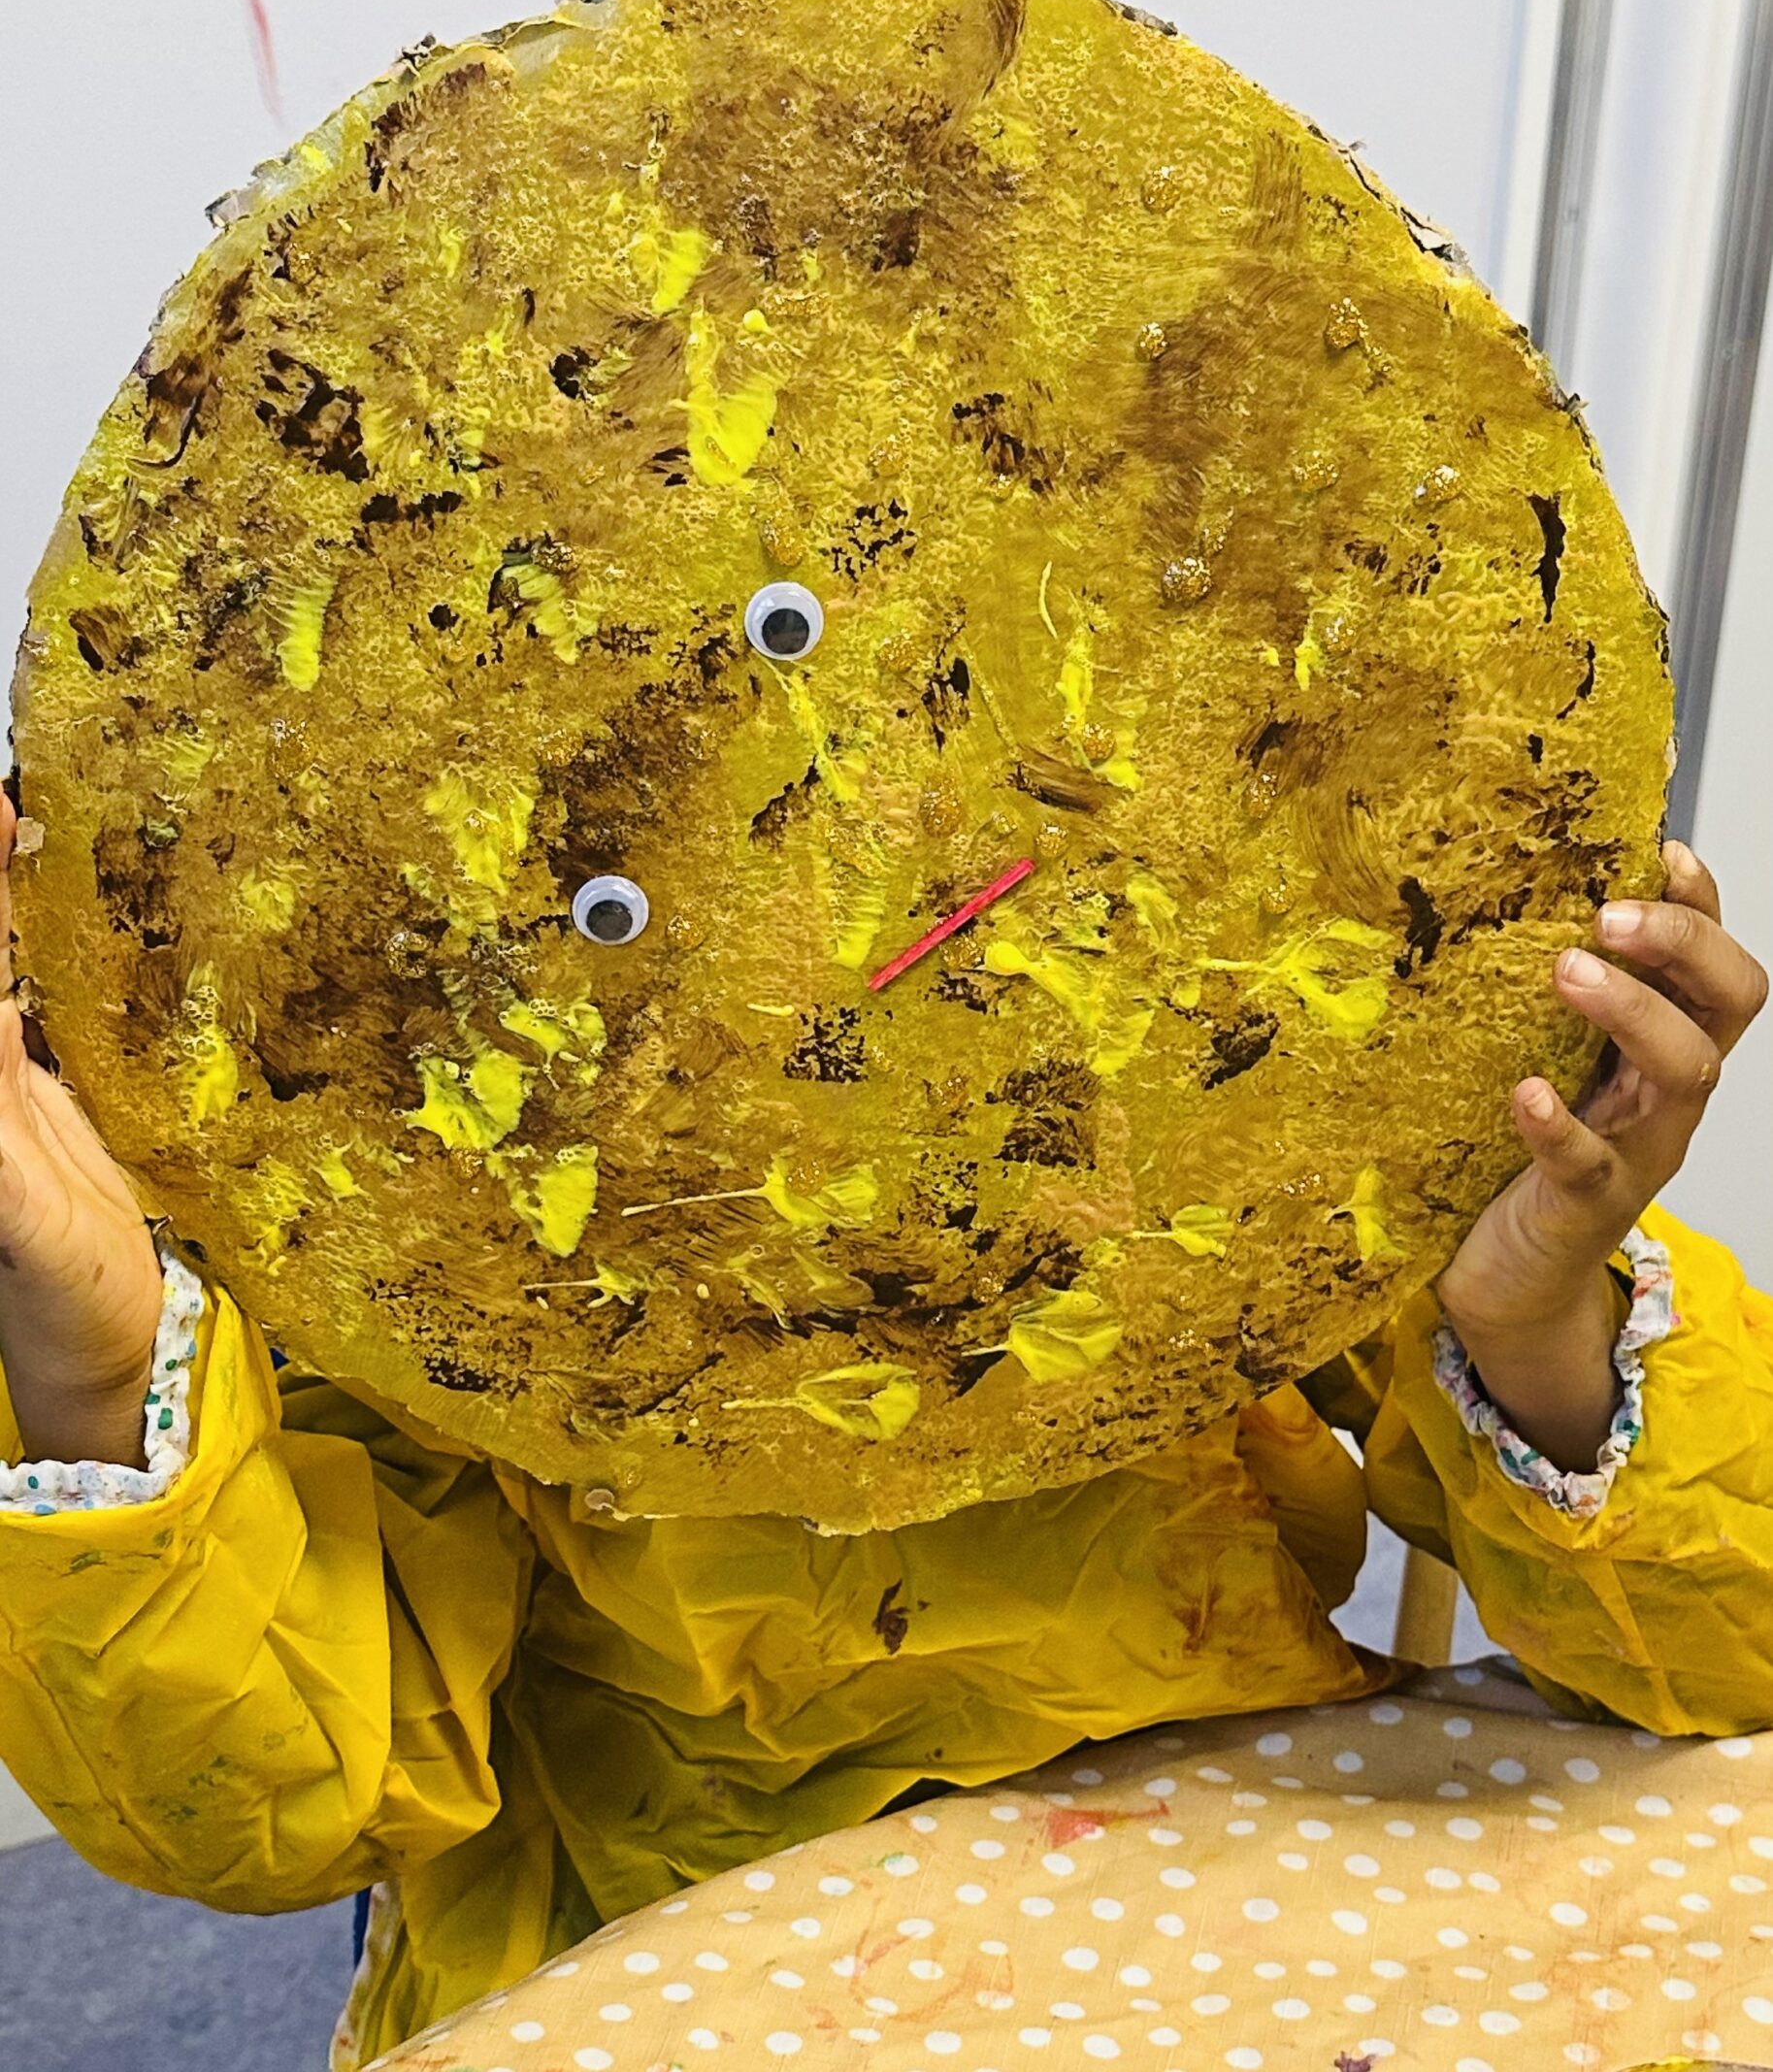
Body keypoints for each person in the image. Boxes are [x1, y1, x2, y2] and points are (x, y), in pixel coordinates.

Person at [0, 785, 1765, 2067]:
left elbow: (1737, 1650)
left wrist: (1538, 1317)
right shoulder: (377, 1140)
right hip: (643, 1936)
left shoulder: (1230, 997)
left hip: (1234, 1864)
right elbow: (269, 1806)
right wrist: (96, 1363)